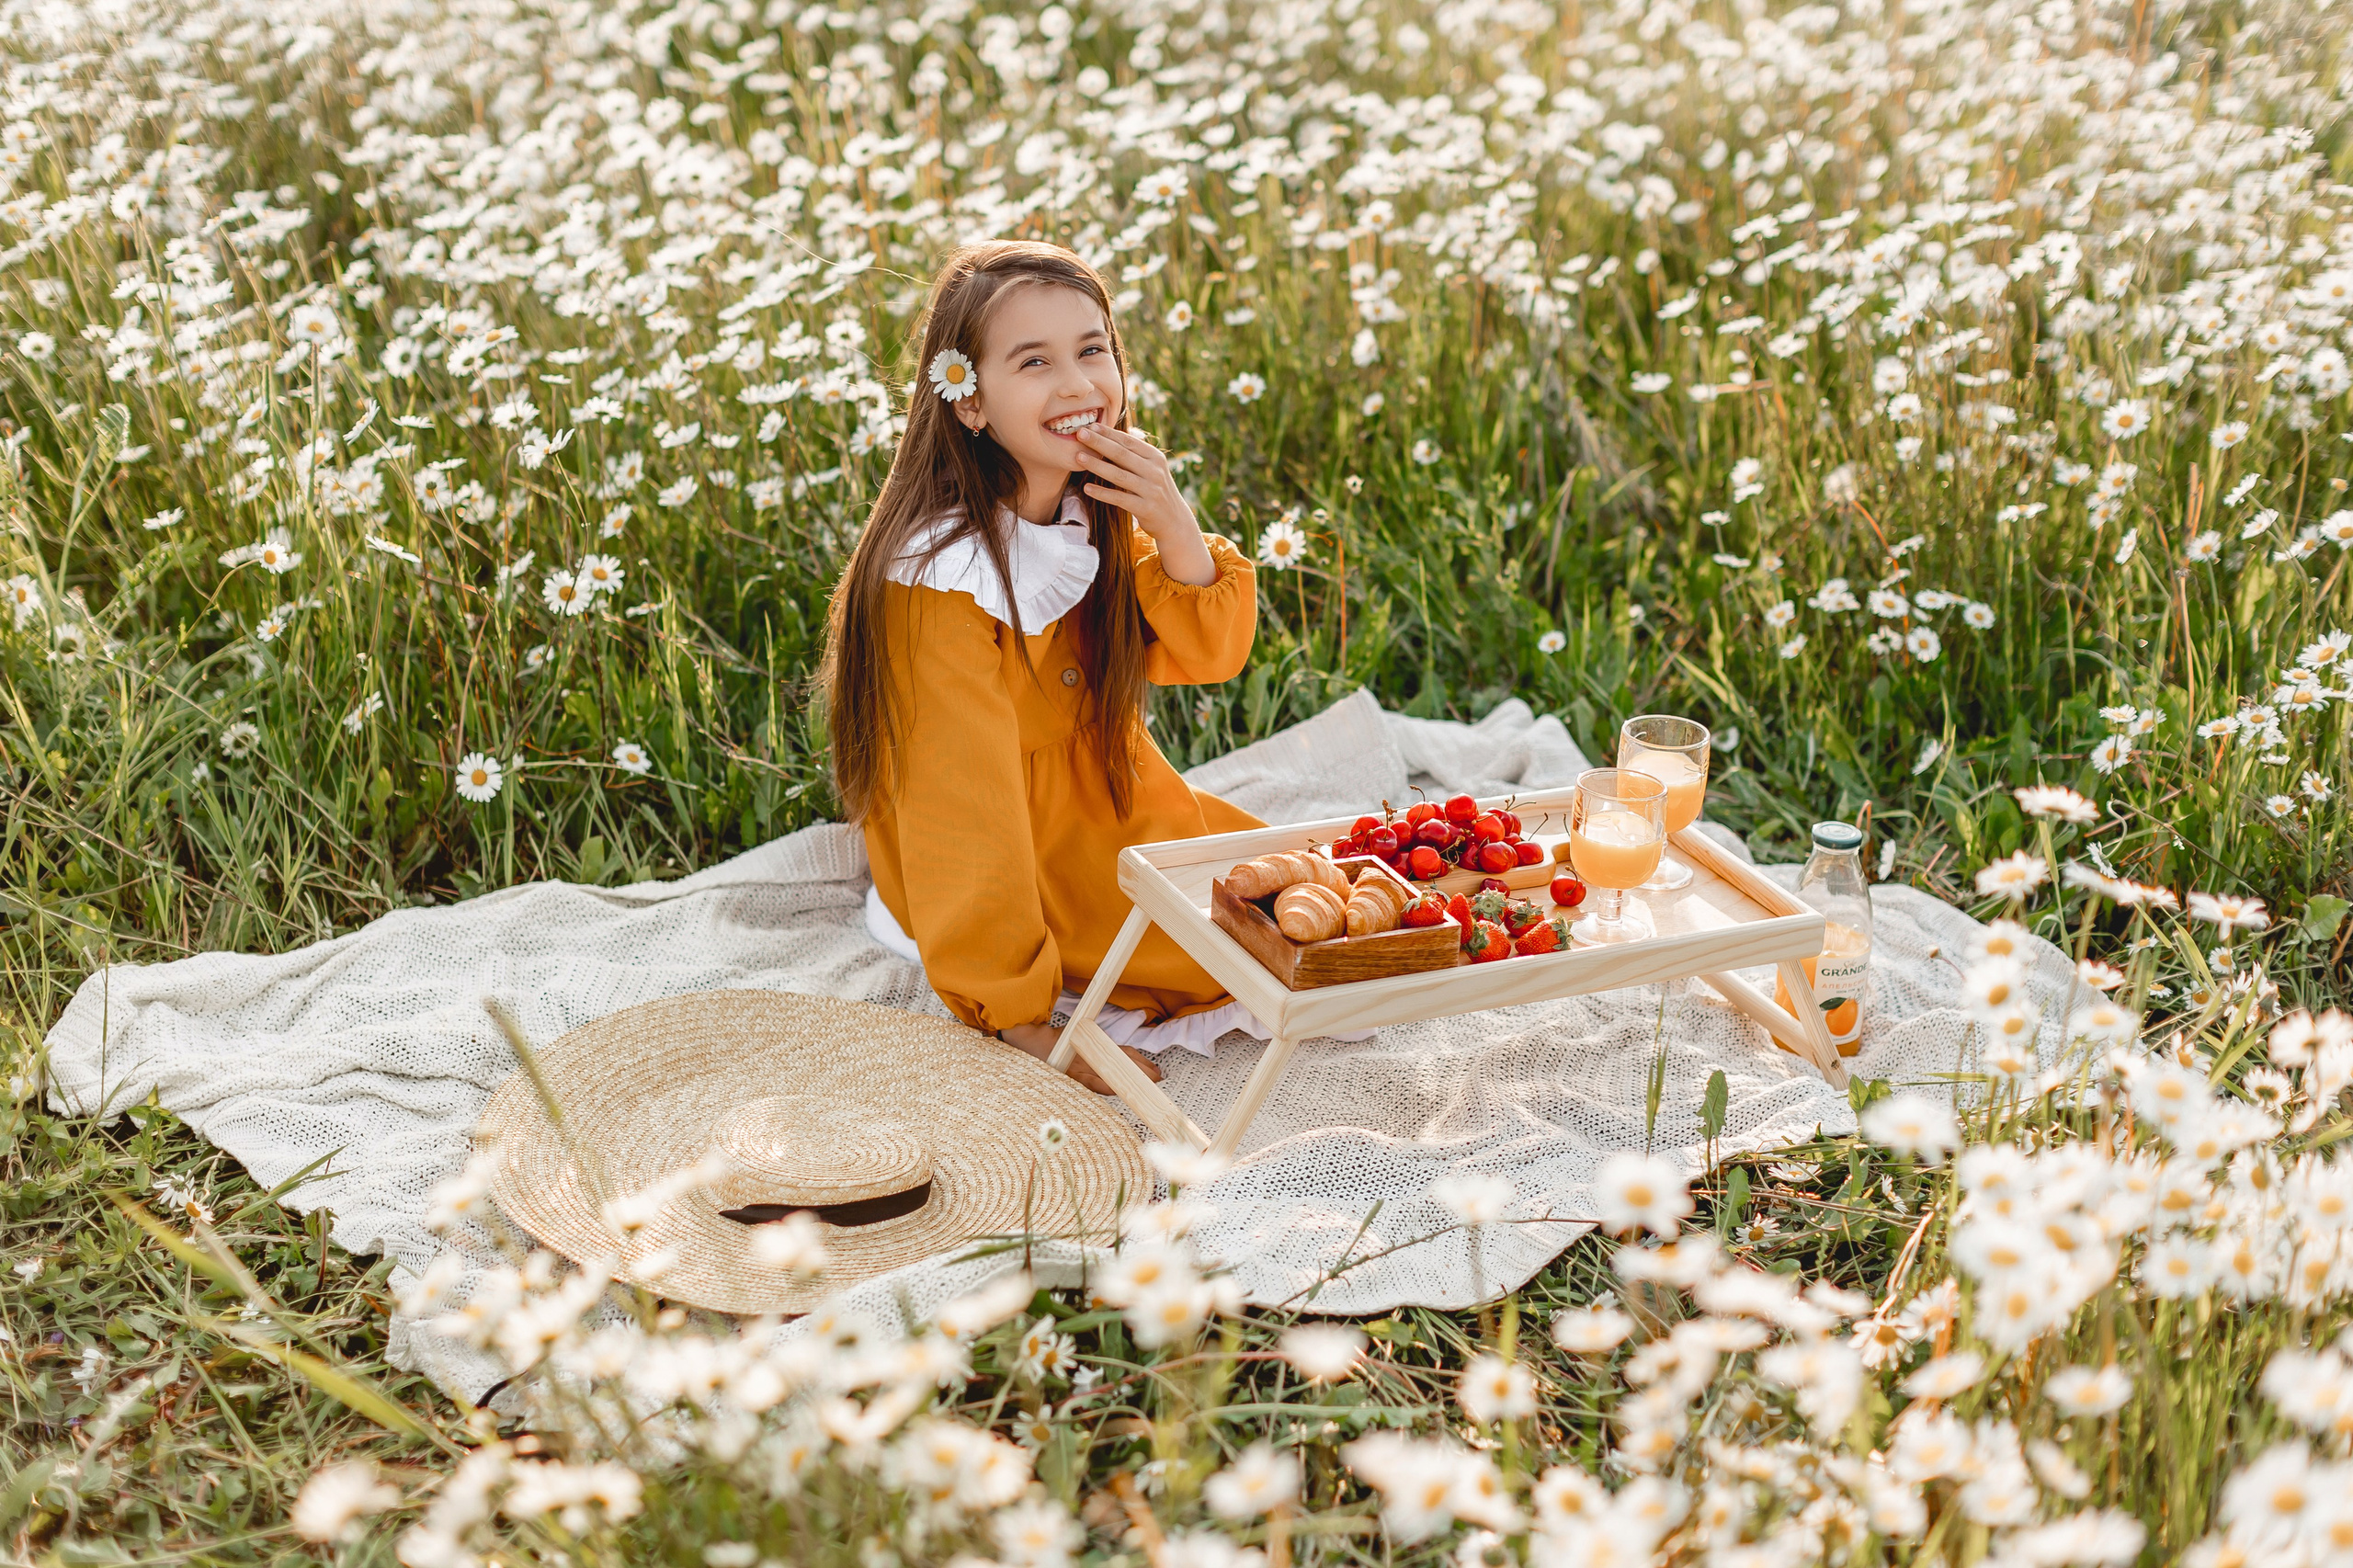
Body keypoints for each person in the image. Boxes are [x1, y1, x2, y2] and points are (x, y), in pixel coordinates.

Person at [820, 239, 1265, 1094]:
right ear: (971, 402)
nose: (1077, 385)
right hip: (1001, 857)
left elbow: (1209, 656)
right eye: (1034, 361)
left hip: (1103, 801)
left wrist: (1171, 521)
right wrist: (1023, 1022)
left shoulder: (1082, 505)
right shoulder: (939, 576)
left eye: (1092, 349)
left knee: (1296, 900)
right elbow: (963, 811)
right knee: (1232, 958)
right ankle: (1019, 989)